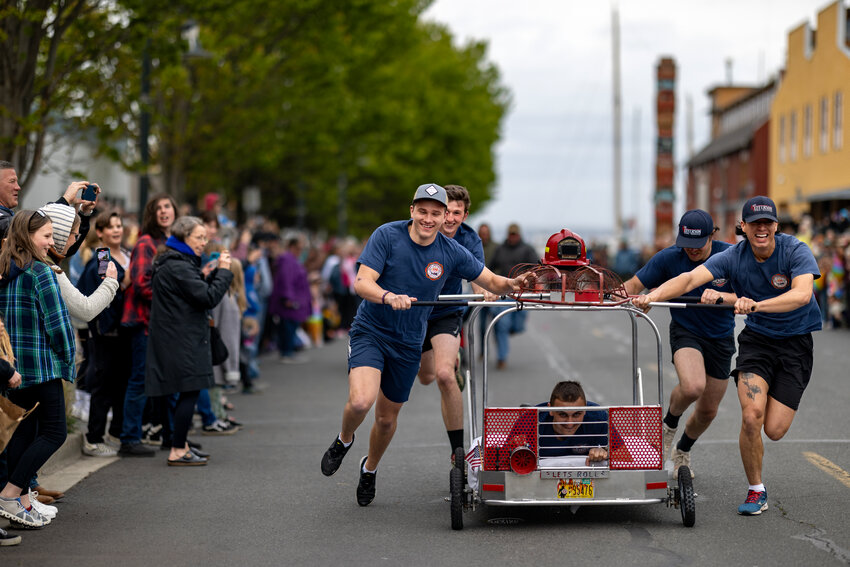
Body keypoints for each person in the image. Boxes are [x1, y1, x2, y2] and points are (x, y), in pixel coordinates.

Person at [320, 183, 534, 507]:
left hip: (409, 341)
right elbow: (361, 282)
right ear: (412, 211)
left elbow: (490, 280)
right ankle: (343, 440)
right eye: (423, 211)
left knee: (387, 419)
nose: (429, 219)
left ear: (444, 215)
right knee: (362, 401)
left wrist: (513, 284)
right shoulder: (387, 236)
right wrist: (388, 296)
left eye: (436, 213)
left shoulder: (450, 250)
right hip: (372, 331)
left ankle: (370, 468)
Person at [634, 196, 822, 516]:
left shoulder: (795, 250)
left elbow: (802, 294)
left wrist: (756, 303)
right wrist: (651, 296)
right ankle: (756, 491)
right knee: (751, 416)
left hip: (795, 346)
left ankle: (687, 446)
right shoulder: (734, 257)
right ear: (744, 227)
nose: (761, 229)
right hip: (757, 343)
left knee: (774, 430)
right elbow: (689, 279)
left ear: (775, 226)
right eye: (755, 224)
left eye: (768, 223)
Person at [623, 210, 737, 479]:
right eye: (686, 244)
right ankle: (669, 425)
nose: (691, 251)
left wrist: (722, 296)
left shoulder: (731, 255)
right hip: (687, 330)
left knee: (708, 410)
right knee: (693, 386)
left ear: (712, 236)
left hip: (721, 336)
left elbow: (750, 295)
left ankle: (682, 450)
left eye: (698, 245)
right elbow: (634, 284)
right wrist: (627, 298)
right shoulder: (669, 257)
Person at [0, 211, 76, 528]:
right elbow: (57, 325)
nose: (50, 242)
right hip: (42, 366)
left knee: (25, 432)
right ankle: (11, 493)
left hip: (10, 366)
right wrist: (69, 358)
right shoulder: (40, 273)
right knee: (55, 432)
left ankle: (24, 502)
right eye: (45, 235)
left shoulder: (4, 268)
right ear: (27, 235)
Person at [146, 216, 233, 466]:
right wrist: (224, 272)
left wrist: (203, 274)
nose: (204, 243)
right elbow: (208, 297)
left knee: (188, 391)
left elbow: (190, 294)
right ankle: (176, 449)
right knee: (189, 391)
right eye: (199, 237)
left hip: (177, 337)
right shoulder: (178, 265)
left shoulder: (174, 261)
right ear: (184, 237)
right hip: (182, 339)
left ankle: (181, 444)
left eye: (206, 238)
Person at [417, 185, 496, 461]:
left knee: (444, 376)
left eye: (456, 213)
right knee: (425, 377)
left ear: (464, 215)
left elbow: (477, 273)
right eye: (446, 211)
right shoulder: (424, 230)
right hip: (416, 311)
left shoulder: (468, 239)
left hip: (446, 311)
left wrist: (482, 290)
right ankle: (450, 359)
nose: (449, 218)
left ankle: (457, 452)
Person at [118, 193, 178, 457]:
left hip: (167, 325)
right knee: (140, 381)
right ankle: (129, 439)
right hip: (145, 322)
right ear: (151, 215)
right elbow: (142, 284)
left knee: (171, 382)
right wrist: (176, 300)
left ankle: (174, 438)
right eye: (158, 209)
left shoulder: (174, 242)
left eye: (167, 206)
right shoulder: (145, 242)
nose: (164, 212)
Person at [77, 211, 132, 457]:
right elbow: (108, 289)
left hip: (127, 329)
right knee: (104, 383)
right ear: (100, 233)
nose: (116, 230)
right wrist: (128, 280)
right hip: (107, 330)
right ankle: (94, 437)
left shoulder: (128, 254)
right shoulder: (102, 256)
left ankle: (116, 432)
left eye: (119, 225)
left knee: (122, 383)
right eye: (110, 227)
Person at [506, 381, 608, 464]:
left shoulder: (598, 417)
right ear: (550, 409)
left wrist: (604, 452)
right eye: (562, 415)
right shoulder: (529, 421)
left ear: (585, 409)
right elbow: (501, 460)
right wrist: (514, 450)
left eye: (577, 414)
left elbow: (622, 454)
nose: (570, 423)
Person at [488, 223, 539, 369]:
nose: (512, 237)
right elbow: (489, 268)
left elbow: (537, 267)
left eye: (515, 234)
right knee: (502, 324)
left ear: (519, 235)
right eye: (510, 234)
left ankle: (506, 331)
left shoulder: (527, 249)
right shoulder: (500, 249)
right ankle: (502, 357)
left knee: (518, 326)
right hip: (505, 291)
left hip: (523, 292)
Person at [269, 235, 312, 363]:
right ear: (292, 247)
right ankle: (286, 352)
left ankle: (288, 351)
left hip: (296, 298)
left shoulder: (292, 259)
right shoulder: (287, 260)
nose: (301, 251)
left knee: (291, 326)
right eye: (299, 248)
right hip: (290, 301)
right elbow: (286, 280)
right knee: (287, 326)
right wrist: (288, 297)